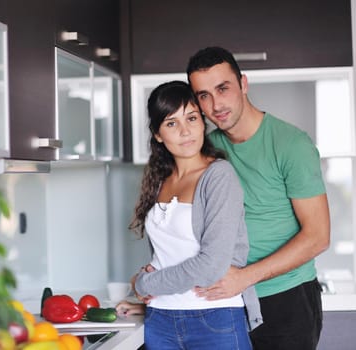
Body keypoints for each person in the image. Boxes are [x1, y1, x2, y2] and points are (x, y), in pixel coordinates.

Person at [185, 46, 330, 349]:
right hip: (227, 300)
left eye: (222, 88)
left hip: (286, 299)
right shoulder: (205, 149)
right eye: (203, 96)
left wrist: (246, 277)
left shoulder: (291, 144)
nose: (215, 105)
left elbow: (318, 236)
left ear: (243, 84)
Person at [117, 80, 262, 350]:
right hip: (161, 320)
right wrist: (145, 293)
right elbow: (169, 253)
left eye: (192, 118)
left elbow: (211, 266)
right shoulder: (159, 179)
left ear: (202, 122)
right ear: (158, 134)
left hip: (216, 320)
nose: (186, 131)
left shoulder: (219, 176)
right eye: (172, 123)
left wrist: (144, 283)